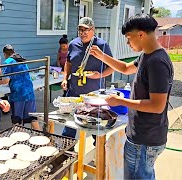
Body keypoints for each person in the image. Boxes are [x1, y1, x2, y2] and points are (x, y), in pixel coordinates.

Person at [90, 14, 173, 179]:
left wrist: (119, 101)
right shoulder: (147, 55)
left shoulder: (157, 62)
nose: (128, 43)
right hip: (143, 136)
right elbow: (127, 68)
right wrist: (102, 56)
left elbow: (157, 106)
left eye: (129, 38)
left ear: (141, 34)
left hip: (145, 139)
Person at [61, 17, 114, 138]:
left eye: (86, 30)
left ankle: (99, 153)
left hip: (94, 94)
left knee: (95, 126)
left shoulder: (102, 45)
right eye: (80, 30)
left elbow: (112, 67)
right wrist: (65, 78)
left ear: (93, 30)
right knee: (69, 124)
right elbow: (68, 63)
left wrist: (99, 75)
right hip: (74, 91)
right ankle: (67, 150)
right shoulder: (73, 44)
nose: (82, 33)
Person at [0, 44, 40, 130]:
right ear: (13, 51)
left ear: (4, 54)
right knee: (32, 117)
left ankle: (18, 139)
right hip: (29, 92)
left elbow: (5, 81)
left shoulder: (8, 61)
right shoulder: (21, 59)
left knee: (17, 119)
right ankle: (41, 137)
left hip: (18, 94)